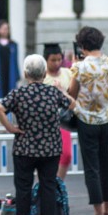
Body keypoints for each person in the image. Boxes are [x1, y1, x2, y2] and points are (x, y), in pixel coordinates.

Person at [0, 54, 73, 215]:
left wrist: (10, 127)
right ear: (45, 73)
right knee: (48, 186)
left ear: (25, 73)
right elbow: (72, 105)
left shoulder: (18, 93)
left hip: (24, 148)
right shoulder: (52, 93)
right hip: (50, 148)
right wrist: (63, 91)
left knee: (23, 187)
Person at [69, 26, 108, 215]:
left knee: (92, 168)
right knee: (106, 165)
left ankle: (98, 214)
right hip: (107, 117)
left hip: (86, 119)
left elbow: (72, 93)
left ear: (82, 46)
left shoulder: (79, 67)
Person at [42, 44, 73, 179]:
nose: (57, 63)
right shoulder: (41, 76)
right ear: (46, 60)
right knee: (44, 158)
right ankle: (43, 189)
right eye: (53, 60)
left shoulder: (68, 73)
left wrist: (62, 92)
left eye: (59, 59)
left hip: (63, 121)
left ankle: (58, 185)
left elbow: (74, 96)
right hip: (45, 122)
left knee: (66, 154)